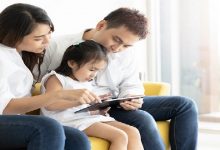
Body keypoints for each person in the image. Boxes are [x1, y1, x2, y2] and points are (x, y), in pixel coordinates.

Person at [36, 8, 198, 150]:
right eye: (117, 40)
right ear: (101, 25)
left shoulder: (126, 52)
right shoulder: (59, 47)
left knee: (185, 105)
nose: (118, 48)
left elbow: (131, 84)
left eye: (126, 46)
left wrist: (133, 99)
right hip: (80, 109)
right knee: (142, 119)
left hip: (113, 102)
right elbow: (42, 87)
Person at [0, 3, 98, 150]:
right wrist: (58, 95)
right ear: (14, 35)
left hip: (15, 119)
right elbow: (6, 107)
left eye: (49, 33)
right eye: (39, 38)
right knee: (47, 127)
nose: (47, 41)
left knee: (76, 138)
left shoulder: (21, 54)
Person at [40, 40, 143, 150]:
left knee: (133, 132)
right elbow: (50, 104)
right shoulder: (56, 78)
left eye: (98, 71)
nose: (94, 75)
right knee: (120, 136)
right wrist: (79, 101)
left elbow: (81, 108)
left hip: (85, 118)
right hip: (65, 121)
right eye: (92, 69)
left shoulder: (85, 82)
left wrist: (97, 108)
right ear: (72, 63)